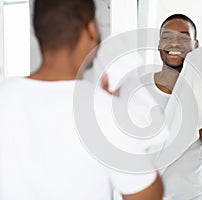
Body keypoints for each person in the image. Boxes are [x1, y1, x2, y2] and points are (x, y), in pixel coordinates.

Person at [0, 0, 163, 200]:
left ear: (37, 32)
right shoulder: (104, 110)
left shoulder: (4, 97)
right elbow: (146, 195)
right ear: (91, 29)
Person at [101, 14, 202, 200]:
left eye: (183, 37)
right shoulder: (138, 89)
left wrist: (195, 100)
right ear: (159, 45)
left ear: (195, 45)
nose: (174, 43)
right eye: (167, 37)